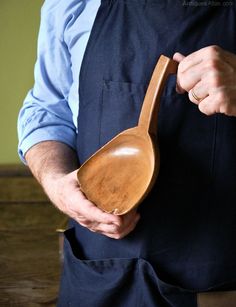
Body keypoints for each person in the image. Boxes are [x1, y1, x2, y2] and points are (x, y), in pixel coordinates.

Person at [18, 0, 236, 306]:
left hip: (220, 286)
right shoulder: (71, 5)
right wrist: (56, 183)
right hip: (101, 275)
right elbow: (48, 110)